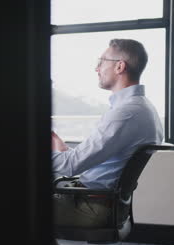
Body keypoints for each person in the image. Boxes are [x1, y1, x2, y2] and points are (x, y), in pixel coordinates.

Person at [51, 39, 163, 228]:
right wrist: (63, 151)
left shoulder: (125, 113)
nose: (97, 68)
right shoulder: (143, 108)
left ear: (120, 66)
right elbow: (94, 163)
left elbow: (71, 166)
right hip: (103, 202)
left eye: (101, 61)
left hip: (91, 205)